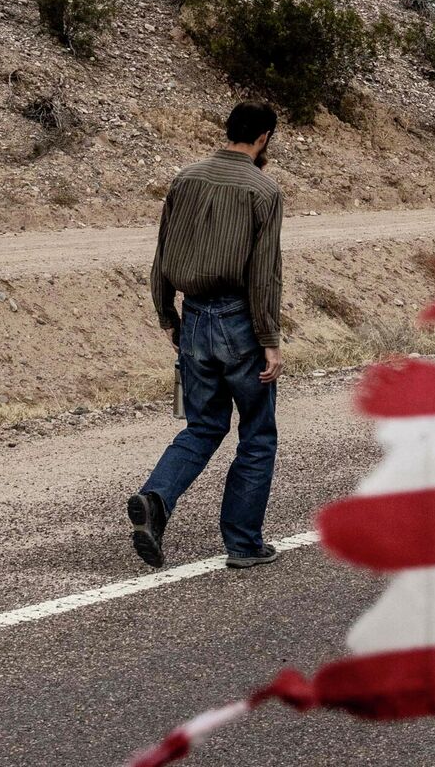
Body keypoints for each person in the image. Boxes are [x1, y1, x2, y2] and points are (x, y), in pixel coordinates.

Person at [128, 102, 286, 570]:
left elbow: (161, 256)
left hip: (192, 318)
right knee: (257, 435)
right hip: (239, 323)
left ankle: (157, 499)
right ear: (263, 138)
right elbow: (264, 274)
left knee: (203, 424)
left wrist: (168, 317)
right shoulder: (264, 191)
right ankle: (243, 543)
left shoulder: (185, 179)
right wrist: (269, 338)